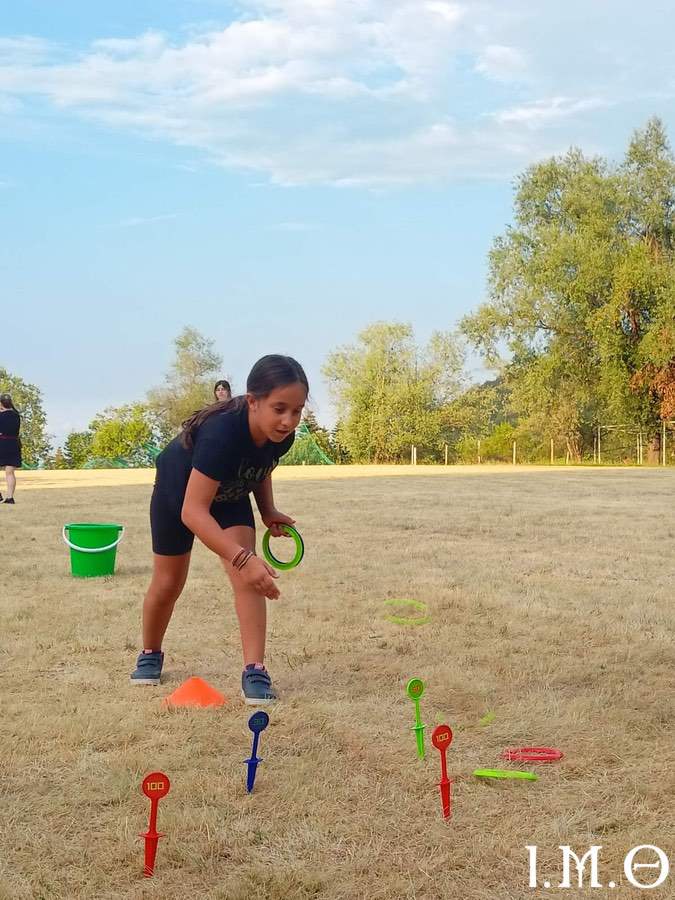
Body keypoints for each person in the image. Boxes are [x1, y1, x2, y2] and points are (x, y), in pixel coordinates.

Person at [130, 355, 307, 704]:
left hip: (230, 492)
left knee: (248, 580)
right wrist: (243, 558)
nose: (288, 421)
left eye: (297, 410)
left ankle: (254, 669)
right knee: (168, 583)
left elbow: (262, 464)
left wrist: (267, 509)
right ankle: (150, 652)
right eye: (279, 408)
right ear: (253, 401)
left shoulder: (282, 435)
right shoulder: (223, 432)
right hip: (179, 494)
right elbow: (193, 512)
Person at [0, 393, 21, 504]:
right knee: (10, 472)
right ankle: (10, 497)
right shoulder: (16, 415)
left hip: (2, 443)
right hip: (14, 444)